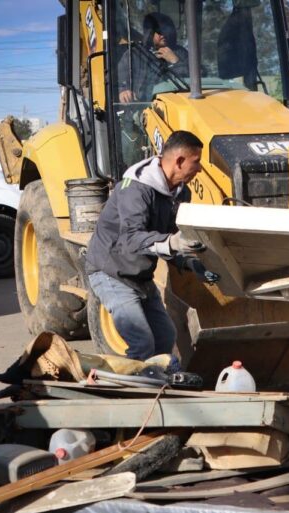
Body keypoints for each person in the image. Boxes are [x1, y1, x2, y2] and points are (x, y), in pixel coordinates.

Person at [85, 130, 219, 361]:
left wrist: (189, 262)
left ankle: (156, 385)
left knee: (165, 338)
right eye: (196, 162)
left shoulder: (180, 192)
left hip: (140, 275)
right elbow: (132, 239)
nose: (199, 169)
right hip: (111, 273)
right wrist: (173, 242)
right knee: (142, 342)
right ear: (179, 161)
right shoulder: (136, 188)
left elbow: (168, 241)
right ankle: (134, 394)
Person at [117, 12, 189, 104]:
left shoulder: (181, 53)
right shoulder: (135, 54)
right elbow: (115, 80)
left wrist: (175, 61)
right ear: (150, 33)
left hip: (174, 105)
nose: (163, 35)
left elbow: (195, 80)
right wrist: (122, 91)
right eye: (159, 31)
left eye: (167, 31)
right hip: (140, 107)